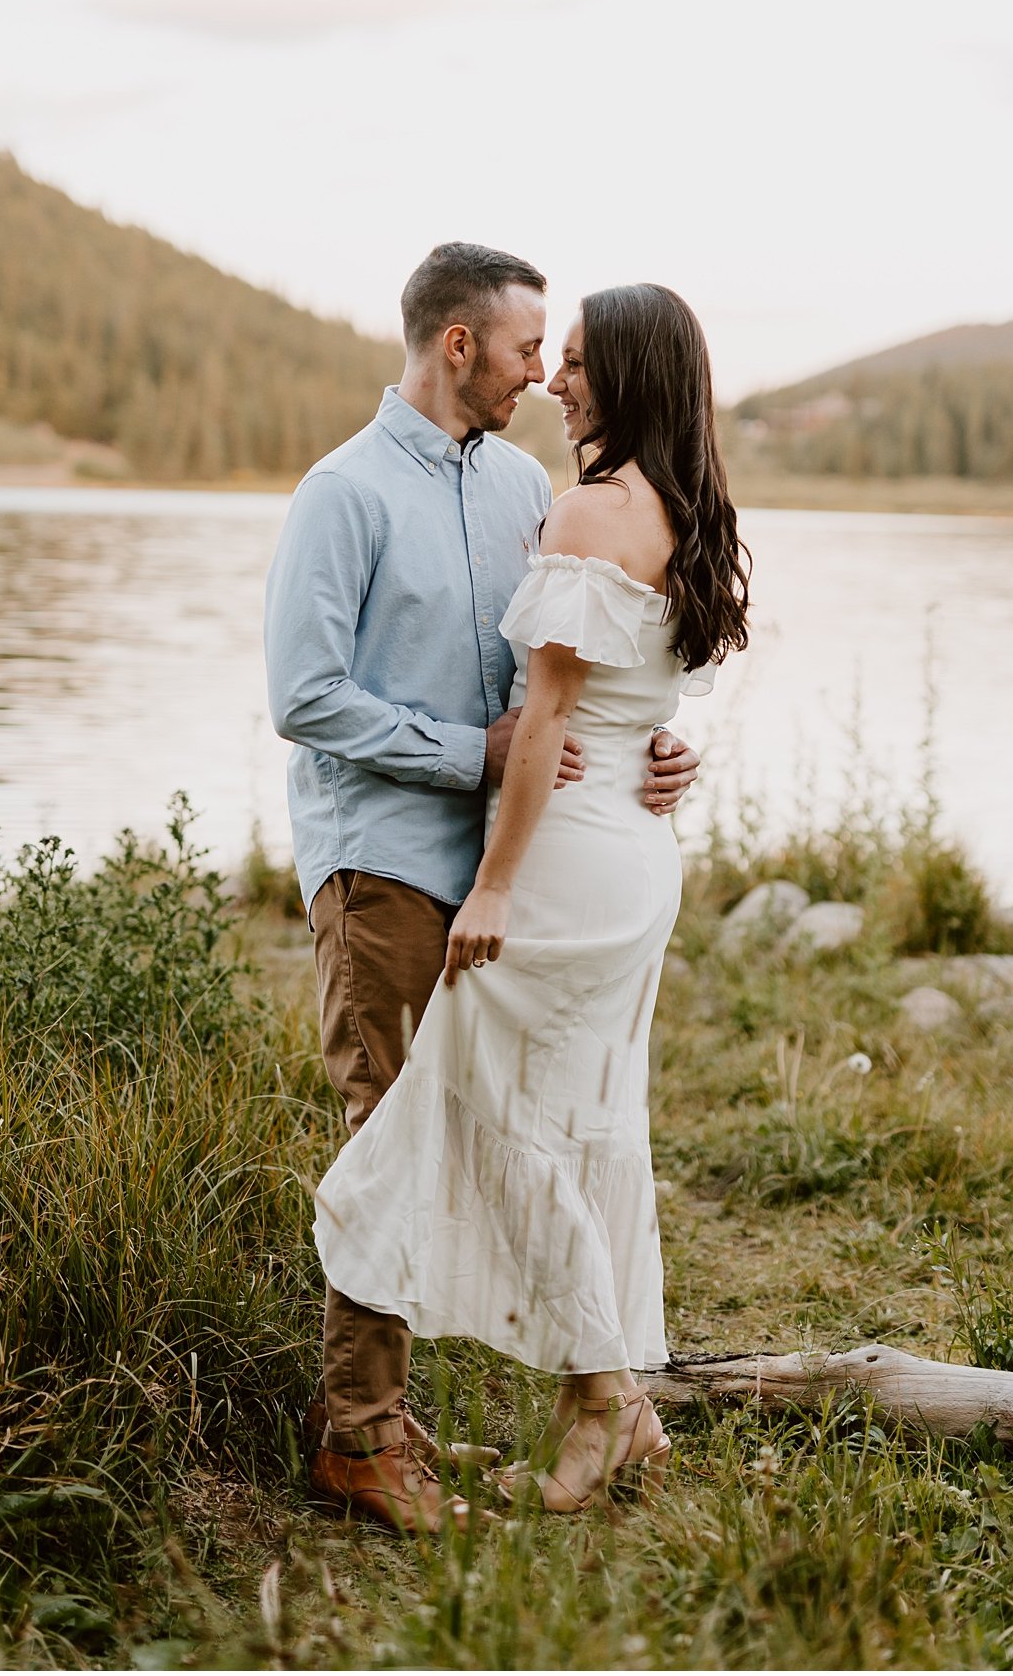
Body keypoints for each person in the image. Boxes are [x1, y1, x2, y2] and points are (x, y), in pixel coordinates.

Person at [265, 244, 702, 1532]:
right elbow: (304, 695)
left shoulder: (527, 483)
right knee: (392, 1122)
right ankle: (361, 1436)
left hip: (504, 866)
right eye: (526, 349)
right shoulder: (340, 494)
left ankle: (516, 1402)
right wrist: (479, 751)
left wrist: (650, 744)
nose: (540, 371)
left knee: (483, 1124)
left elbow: (587, 655)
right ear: (459, 345)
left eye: (555, 353)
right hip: (386, 858)